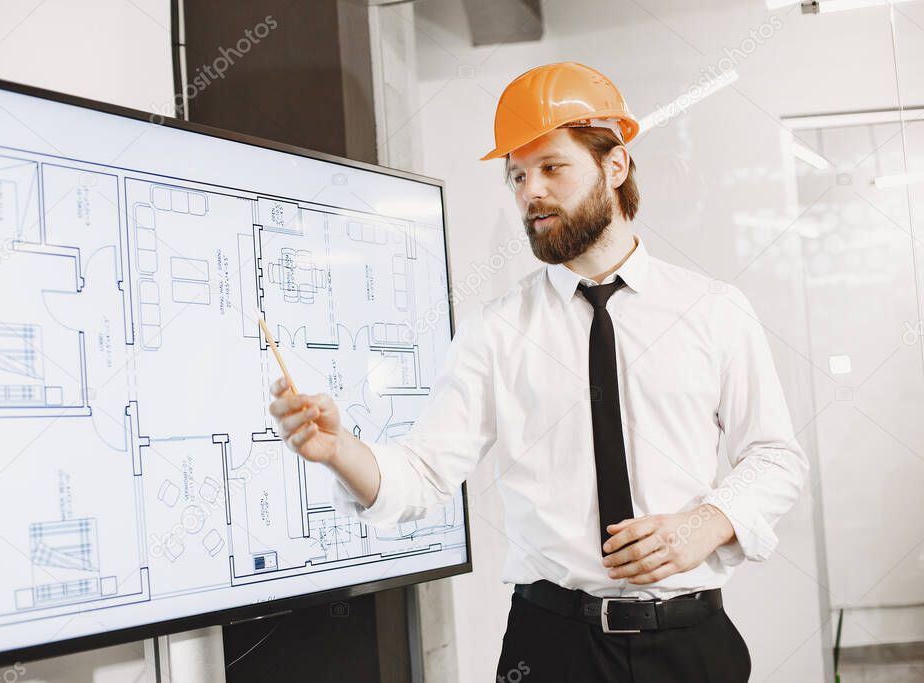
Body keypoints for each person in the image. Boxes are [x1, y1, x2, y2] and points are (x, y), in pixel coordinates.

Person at [267, 62, 808, 682]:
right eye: (518, 175)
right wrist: (340, 451)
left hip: (691, 644)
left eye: (552, 167)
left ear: (615, 166)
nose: (530, 192)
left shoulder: (713, 311)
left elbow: (773, 457)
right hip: (550, 651)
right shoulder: (494, 331)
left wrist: (704, 525)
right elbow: (420, 475)